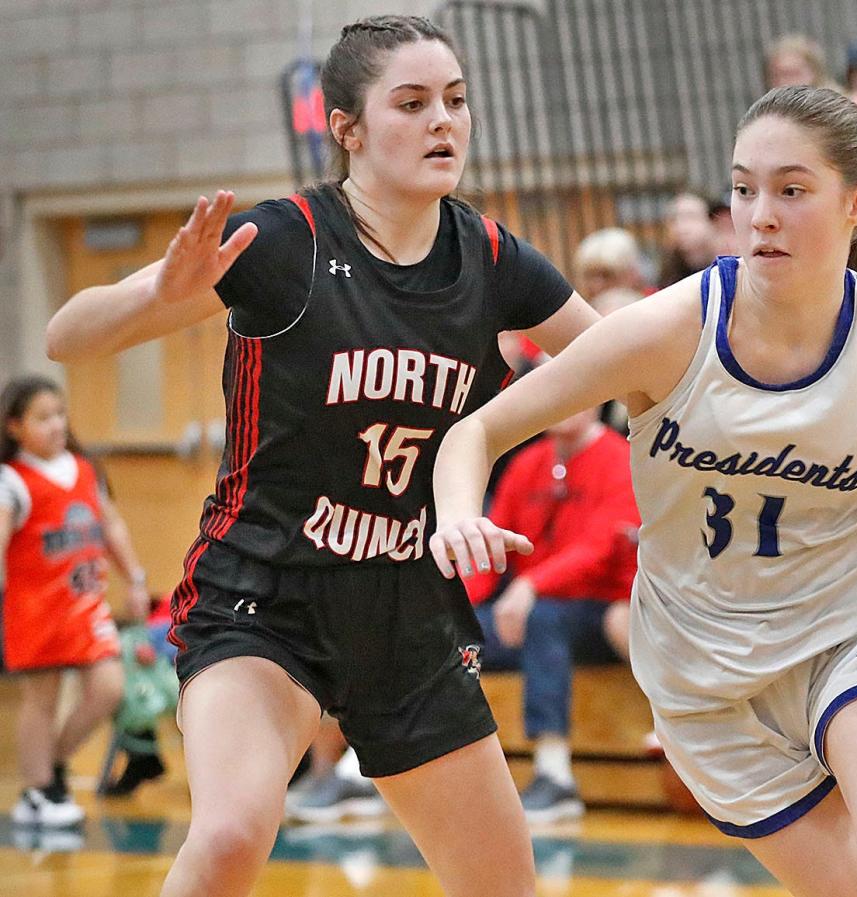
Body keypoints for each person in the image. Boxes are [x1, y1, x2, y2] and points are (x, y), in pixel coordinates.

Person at [428, 85, 857, 896]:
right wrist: (459, 513)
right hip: (703, 678)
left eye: (791, 189)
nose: (760, 214)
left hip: (855, 634)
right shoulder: (667, 329)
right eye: (743, 189)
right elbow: (476, 431)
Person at [44, 15, 598, 897]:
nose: (442, 122)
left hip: (407, 609)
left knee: (504, 886)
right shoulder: (289, 241)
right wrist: (160, 290)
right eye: (411, 104)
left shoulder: (493, 259)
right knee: (229, 833)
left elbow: (614, 361)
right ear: (346, 128)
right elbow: (66, 337)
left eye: (455, 101)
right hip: (264, 597)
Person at [465, 403, 638, 823]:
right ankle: (368, 770)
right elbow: (492, 553)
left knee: (545, 618)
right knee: (447, 638)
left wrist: (531, 585)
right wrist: (451, 611)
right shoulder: (528, 463)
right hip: (524, 613)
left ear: (599, 398)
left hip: (599, 610)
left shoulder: (621, 458)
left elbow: (599, 549)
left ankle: (554, 774)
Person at [1, 376, 149, 826]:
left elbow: (112, 526)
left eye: (60, 414)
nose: (56, 424)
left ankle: (50, 769)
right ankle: (39, 791)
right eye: (43, 417)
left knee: (109, 687)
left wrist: (136, 579)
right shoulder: (12, 480)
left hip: (86, 606)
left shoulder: (85, 468)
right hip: (35, 609)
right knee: (40, 702)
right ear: (14, 428)